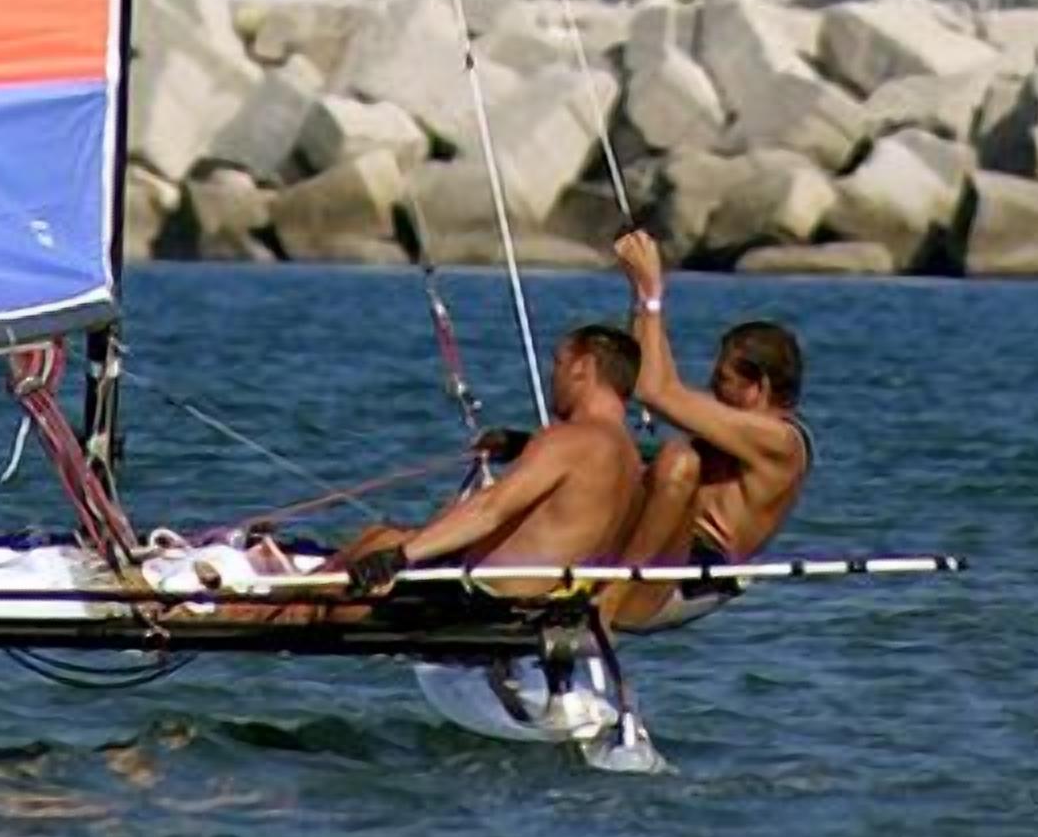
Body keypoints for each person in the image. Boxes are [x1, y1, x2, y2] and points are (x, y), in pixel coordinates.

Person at [341, 322, 646, 600]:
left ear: (583, 366)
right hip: (552, 596)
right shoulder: (628, 454)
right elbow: (576, 488)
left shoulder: (570, 439)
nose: (553, 375)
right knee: (378, 537)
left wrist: (399, 557)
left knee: (377, 546)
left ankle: (295, 610)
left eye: (559, 363)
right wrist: (521, 444)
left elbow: (491, 509)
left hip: (485, 600)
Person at [610, 227, 811, 613]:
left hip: (694, 569)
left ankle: (609, 598)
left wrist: (653, 293)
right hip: (666, 545)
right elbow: (652, 380)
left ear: (758, 386)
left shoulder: (778, 441)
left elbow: (656, 392)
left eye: (722, 380)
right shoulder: (736, 425)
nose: (710, 388)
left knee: (677, 458)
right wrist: (640, 294)